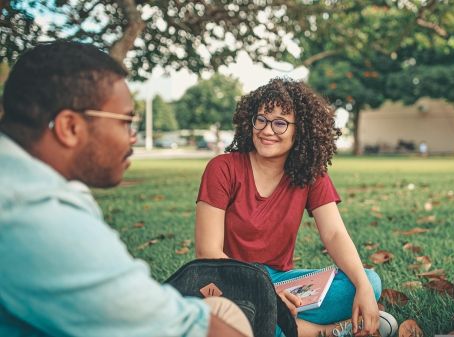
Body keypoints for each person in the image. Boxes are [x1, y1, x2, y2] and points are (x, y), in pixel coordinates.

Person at [0, 41, 252, 337]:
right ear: (70, 127)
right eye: (126, 122)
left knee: (221, 309)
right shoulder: (36, 215)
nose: (132, 138)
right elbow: (190, 329)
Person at [194, 78, 397, 337]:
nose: (267, 130)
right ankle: (328, 332)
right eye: (262, 119)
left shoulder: (310, 174)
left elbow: (334, 233)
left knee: (368, 280)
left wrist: (363, 289)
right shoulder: (222, 169)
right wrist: (266, 295)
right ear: (250, 121)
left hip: (282, 283)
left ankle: (275, 325)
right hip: (229, 282)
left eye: (280, 123)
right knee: (230, 316)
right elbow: (207, 253)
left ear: (300, 130)